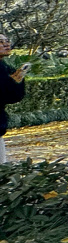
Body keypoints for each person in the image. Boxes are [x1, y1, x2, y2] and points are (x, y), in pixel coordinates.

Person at [0, 33, 29, 165]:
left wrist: (17, 82)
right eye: (1, 42)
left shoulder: (6, 68)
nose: (6, 44)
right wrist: (10, 83)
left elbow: (13, 97)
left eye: (7, 41)